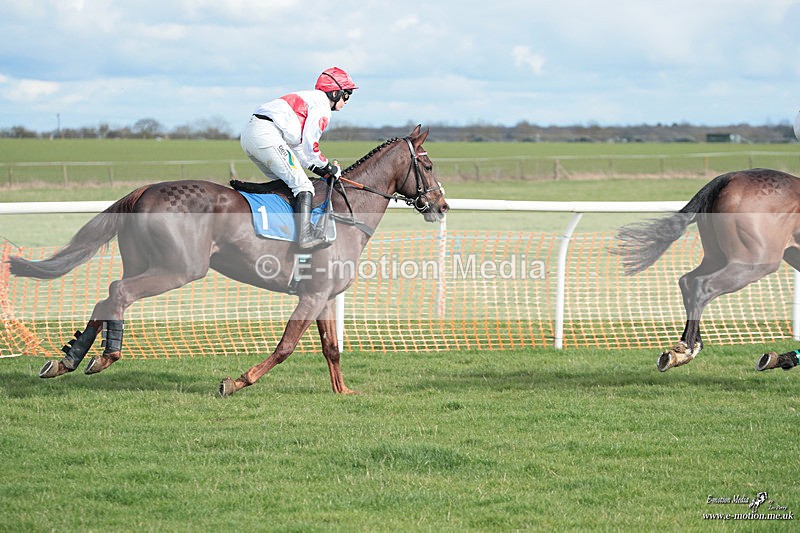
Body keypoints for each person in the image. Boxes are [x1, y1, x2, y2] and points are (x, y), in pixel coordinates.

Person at [239, 67, 358, 250]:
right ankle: (305, 237)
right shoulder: (322, 109)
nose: (347, 101)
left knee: (286, 184)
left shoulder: (311, 100)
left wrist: (322, 171)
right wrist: (328, 167)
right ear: (335, 92)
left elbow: (301, 152)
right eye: (347, 95)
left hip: (251, 134)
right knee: (303, 186)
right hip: (267, 134)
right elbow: (311, 148)